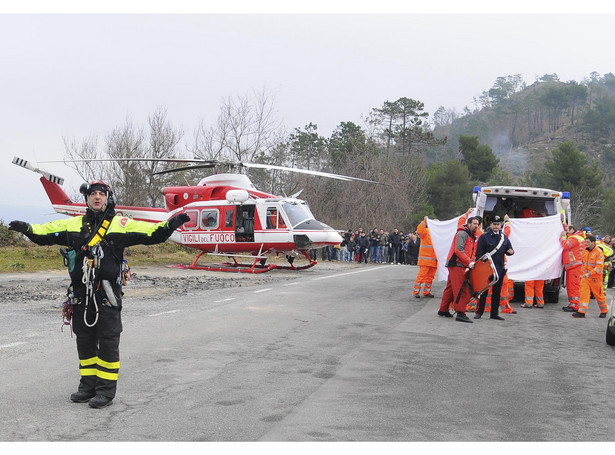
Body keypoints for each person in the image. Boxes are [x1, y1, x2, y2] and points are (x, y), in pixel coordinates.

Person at [9, 181, 190, 408]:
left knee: (108, 340)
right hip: (80, 293)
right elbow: (45, 233)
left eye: (101, 194)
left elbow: (153, 233)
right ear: (87, 199)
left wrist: (172, 224)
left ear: (108, 198)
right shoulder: (74, 224)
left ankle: (105, 391)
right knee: (84, 340)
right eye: (93, 194)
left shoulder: (121, 224)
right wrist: (27, 228)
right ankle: (88, 386)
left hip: (106, 292)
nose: (97, 197)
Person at [438, 216, 480, 323]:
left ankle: (443, 309)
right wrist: (469, 262)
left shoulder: (469, 235)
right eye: (474, 223)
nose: (476, 226)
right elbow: (458, 250)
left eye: (477, 224)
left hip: (458, 264)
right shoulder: (463, 234)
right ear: (469, 223)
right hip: (457, 264)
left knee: (451, 288)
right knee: (460, 289)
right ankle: (461, 313)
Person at [474, 215, 514, 321]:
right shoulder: (484, 237)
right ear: (490, 225)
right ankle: (479, 312)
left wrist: (511, 252)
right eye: (494, 224)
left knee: (497, 293)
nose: (496, 226)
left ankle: (494, 313)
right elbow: (479, 254)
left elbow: (509, 249)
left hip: (499, 269)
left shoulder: (503, 237)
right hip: (487, 269)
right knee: (483, 292)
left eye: (498, 224)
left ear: (500, 225)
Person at [573, 235, 609, 318]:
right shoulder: (585, 251)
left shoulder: (599, 252)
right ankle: (581, 312)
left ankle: (604, 311)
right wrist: (581, 275)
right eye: (585, 241)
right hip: (585, 277)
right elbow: (583, 264)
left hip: (595, 278)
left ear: (593, 243)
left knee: (599, 296)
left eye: (588, 242)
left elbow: (599, 267)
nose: (586, 243)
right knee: (583, 294)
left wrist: (589, 274)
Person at [560, 225, 584, 312]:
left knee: (574, 286)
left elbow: (566, 245)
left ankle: (575, 305)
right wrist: (562, 222)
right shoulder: (576, 237)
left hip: (575, 265)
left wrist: (562, 237)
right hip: (572, 266)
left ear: (572, 230)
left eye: (567, 230)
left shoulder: (575, 238)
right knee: (571, 286)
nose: (565, 232)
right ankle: (572, 303)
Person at [413, 217, 437, 298]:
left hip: (434, 261)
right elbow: (419, 231)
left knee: (430, 277)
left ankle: (426, 291)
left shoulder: (439, 234)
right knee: (421, 276)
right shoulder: (426, 231)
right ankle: (416, 291)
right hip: (425, 259)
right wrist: (424, 221)